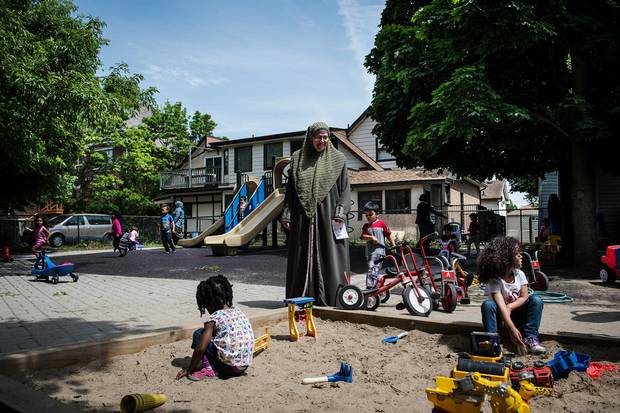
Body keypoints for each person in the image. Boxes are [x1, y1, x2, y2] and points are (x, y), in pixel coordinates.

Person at [281, 121, 351, 306]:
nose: (322, 140)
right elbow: (290, 191)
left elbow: (345, 190)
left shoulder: (338, 160)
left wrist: (340, 212)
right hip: (302, 216)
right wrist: (287, 213)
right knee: (301, 254)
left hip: (329, 216)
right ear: (310, 138)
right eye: (318, 137)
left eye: (325, 137)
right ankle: (300, 297)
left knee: (330, 253)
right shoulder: (297, 159)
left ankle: (331, 297)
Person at [176, 275, 254, 380]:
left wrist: (189, 369)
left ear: (208, 304)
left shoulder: (214, 319)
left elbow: (200, 348)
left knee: (199, 334)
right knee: (213, 336)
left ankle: (210, 369)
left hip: (228, 369)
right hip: (243, 367)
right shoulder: (237, 311)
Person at [478, 236, 546, 354]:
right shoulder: (494, 280)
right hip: (500, 318)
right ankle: (493, 341)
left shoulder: (519, 274)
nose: (521, 256)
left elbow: (524, 297)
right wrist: (512, 329)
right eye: (517, 253)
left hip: (517, 315)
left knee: (536, 300)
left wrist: (510, 307)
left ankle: (531, 338)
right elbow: (500, 306)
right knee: (488, 305)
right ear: (506, 258)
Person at [360, 202, 396, 289]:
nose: (368, 217)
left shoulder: (381, 224)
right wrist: (371, 237)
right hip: (369, 252)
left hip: (379, 251)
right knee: (373, 269)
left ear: (377, 214)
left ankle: (370, 287)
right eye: (366, 215)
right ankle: (376, 286)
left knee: (373, 269)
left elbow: (388, 235)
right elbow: (363, 236)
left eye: (370, 214)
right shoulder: (366, 226)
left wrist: (394, 245)